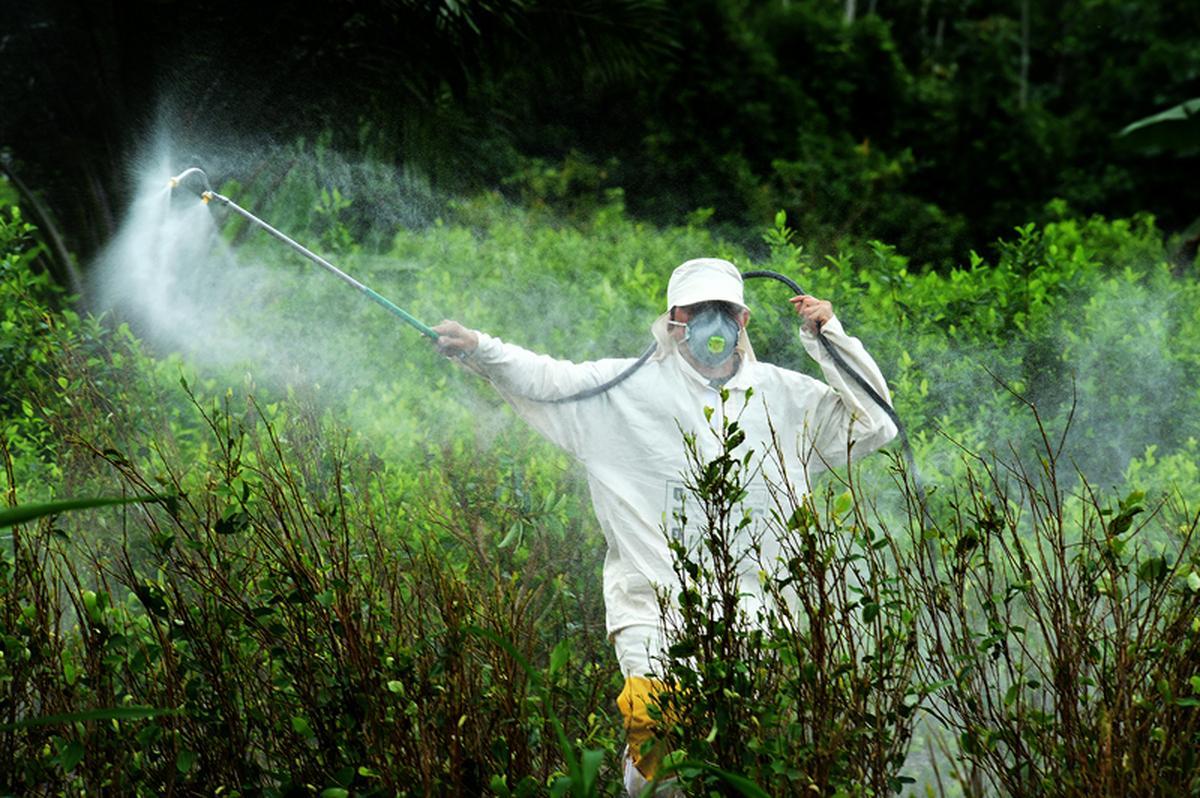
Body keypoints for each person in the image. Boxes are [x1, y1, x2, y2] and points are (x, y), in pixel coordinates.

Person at [432, 257, 897, 796]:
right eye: (697, 310)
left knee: (747, 761)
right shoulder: (623, 389)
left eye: (722, 310)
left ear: (743, 321)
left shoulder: (785, 396)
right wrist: (479, 348)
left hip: (759, 613)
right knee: (660, 745)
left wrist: (829, 339)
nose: (711, 323)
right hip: (650, 607)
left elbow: (876, 423)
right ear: (674, 319)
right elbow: (547, 378)